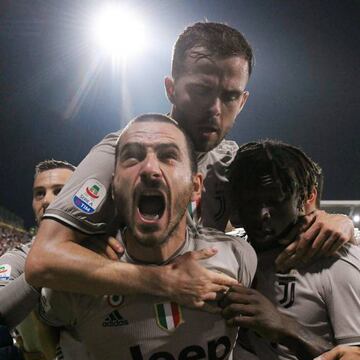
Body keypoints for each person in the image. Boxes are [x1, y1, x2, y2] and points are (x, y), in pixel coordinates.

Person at [25, 22, 354, 307]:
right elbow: (43, 260)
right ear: (171, 88)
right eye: (201, 90)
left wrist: (337, 223)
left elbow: (276, 220)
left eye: (228, 96)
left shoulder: (231, 161)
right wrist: (163, 281)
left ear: (243, 101)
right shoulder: (120, 153)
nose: (214, 108)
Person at [38, 114, 257, 360]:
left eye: (168, 156)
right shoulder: (78, 279)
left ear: (195, 186)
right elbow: (45, 329)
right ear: (114, 186)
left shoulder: (238, 257)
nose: (150, 169)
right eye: (132, 156)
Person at [223, 140, 360, 360]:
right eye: (251, 202)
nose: (262, 213)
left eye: (275, 201)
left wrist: (284, 327)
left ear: (304, 198)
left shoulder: (339, 261)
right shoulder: (232, 251)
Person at [0, 160, 75, 360]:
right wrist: (40, 272)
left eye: (59, 191)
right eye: (39, 194)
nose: (47, 201)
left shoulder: (110, 245)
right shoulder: (22, 256)